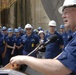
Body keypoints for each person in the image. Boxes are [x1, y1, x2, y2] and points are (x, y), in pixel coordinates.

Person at [10, 0, 76, 75]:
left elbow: (59, 68)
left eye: (66, 12)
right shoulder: (72, 36)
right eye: (63, 13)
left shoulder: (62, 36)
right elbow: (63, 56)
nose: (63, 16)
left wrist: (24, 59)